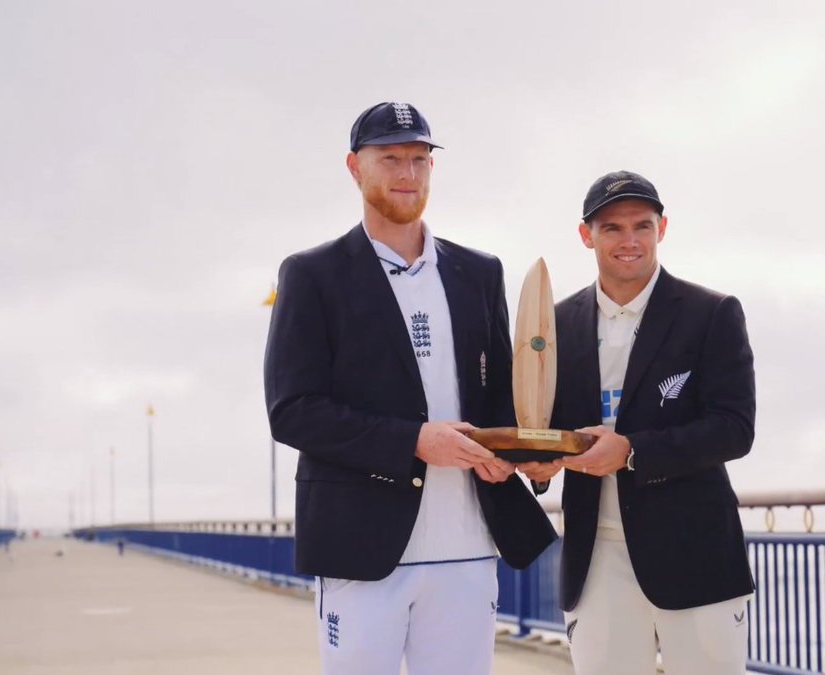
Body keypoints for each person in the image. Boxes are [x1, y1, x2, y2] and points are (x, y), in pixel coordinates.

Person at [264, 101, 556, 675]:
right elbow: (292, 411)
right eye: (391, 158)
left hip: (470, 547)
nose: (408, 174)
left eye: (420, 159)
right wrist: (413, 442)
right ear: (355, 167)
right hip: (361, 549)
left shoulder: (479, 272)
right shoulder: (312, 275)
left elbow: (500, 398)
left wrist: (524, 454)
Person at [518, 170, 757, 674]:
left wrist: (631, 452)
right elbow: (548, 423)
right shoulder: (555, 324)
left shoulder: (711, 313)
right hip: (594, 558)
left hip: (695, 551)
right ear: (587, 235)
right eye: (612, 228)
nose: (629, 241)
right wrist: (539, 464)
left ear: (662, 229)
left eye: (641, 226)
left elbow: (735, 427)